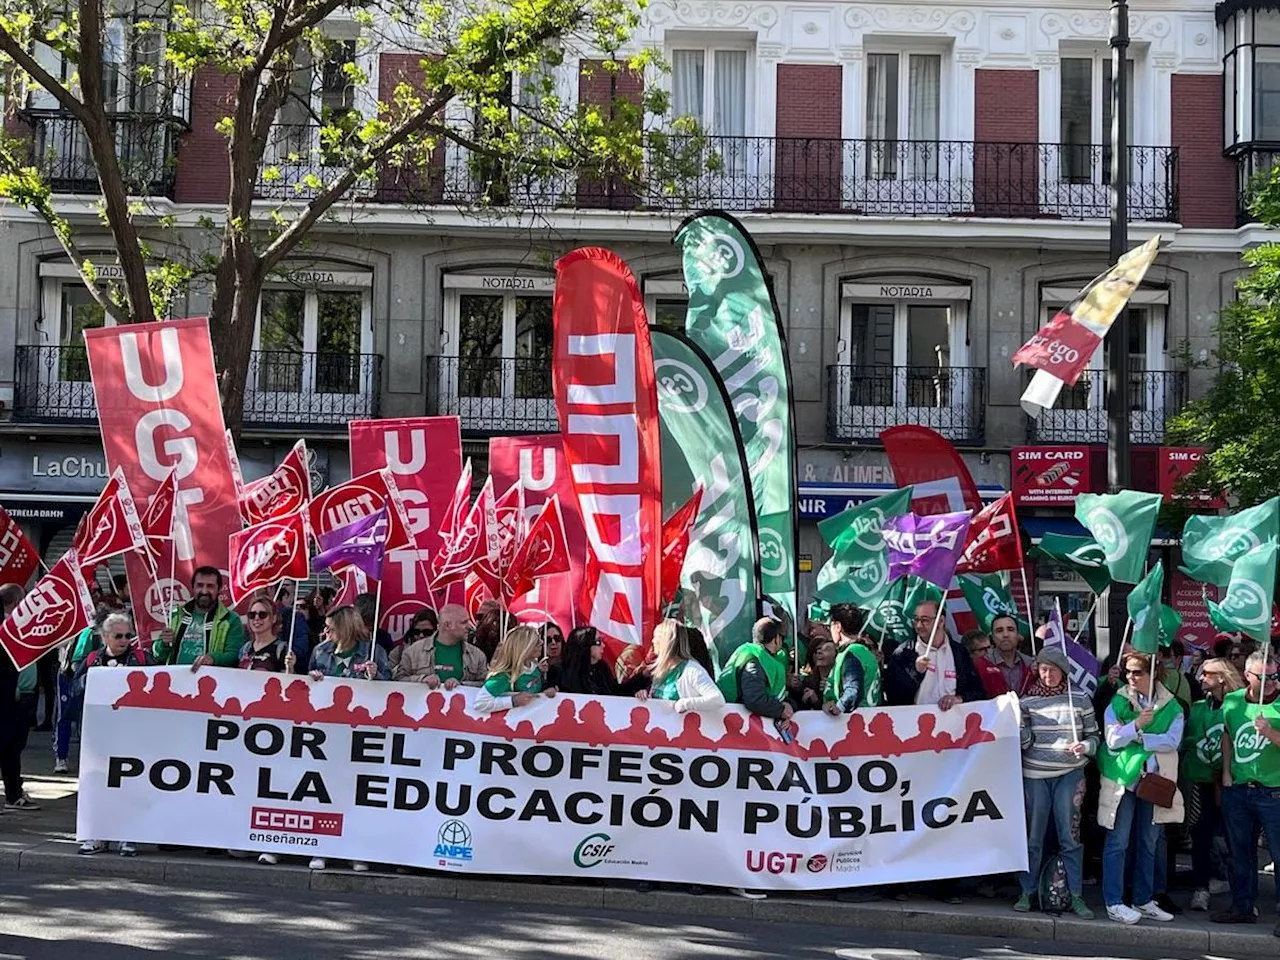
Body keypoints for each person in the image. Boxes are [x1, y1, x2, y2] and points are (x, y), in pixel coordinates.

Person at [1097, 652, 1185, 925]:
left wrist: (1136, 735)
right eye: (1128, 672)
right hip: (1123, 780)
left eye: (1137, 672)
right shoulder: (1119, 700)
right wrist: (1137, 723)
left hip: (1154, 783)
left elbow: (1172, 741)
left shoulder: (1173, 706)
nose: (1130, 677)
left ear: (1153, 674)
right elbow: (1112, 740)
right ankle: (1113, 902)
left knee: (1149, 843)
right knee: (1118, 842)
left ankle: (1143, 899)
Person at [1015, 646, 1100, 919]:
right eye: (1043, 669)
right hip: (1035, 775)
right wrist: (1018, 724)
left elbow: (1096, 737)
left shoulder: (1081, 698)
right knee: (1032, 837)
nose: (1048, 674)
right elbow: (1025, 743)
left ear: (1063, 671)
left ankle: (1075, 895)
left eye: (1053, 669)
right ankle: (1027, 892)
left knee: (1071, 836)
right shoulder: (1026, 701)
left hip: (1070, 773)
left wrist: (1085, 746)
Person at [304, 605, 389, 872]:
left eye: (331, 627)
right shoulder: (321, 652)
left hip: (362, 730)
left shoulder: (372, 651)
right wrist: (312, 678)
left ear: (346, 627)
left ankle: (356, 849)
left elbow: (392, 686)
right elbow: (306, 686)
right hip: (327, 731)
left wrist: (378, 676)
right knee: (325, 792)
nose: (325, 631)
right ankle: (322, 847)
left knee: (358, 793)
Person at [1212, 649, 1280, 934]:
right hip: (1239, 790)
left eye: (1275, 675)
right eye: (1264, 677)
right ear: (1247, 677)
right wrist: (1227, 773)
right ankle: (1242, 906)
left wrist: (1270, 733)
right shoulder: (1232, 702)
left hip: (1274, 792)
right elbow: (1227, 735)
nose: (1271, 681)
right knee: (1240, 853)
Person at [76, 612, 150, 855]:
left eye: (128, 635)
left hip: (133, 736)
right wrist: (91, 680)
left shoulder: (142, 658)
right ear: (105, 636)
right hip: (99, 737)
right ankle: (97, 834)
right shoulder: (91, 660)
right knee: (98, 785)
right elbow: (74, 689)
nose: (124, 640)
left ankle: (128, 834)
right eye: (118, 636)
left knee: (130, 785)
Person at [1183, 657, 1243, 912]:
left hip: (1235, 782)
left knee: (1238, 839)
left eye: (1206, 673)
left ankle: (1243, 897)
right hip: (1203, 781)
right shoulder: (1198, 708)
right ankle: (1201, 889)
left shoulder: (1239, 705)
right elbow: (1187, 740)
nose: (1200, 677)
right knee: (1201, 836)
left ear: (1221, 677)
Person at [883, 600, 986, 708]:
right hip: (916, 721)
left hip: (952, 721)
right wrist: (916, 672)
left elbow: (977, 691)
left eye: (925, 620)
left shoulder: (959, 652)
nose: (918, 625)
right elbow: (893, 696)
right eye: (916, 619)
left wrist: (958, 699)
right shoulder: (903, 653)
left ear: (941, 621)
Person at [154, 566, 245, 667]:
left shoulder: (231, 619)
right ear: (193, 587)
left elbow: (235, 656)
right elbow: (158, 654)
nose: (204, 591)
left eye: (210, 586)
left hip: (210, 680)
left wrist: (213, 658)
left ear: (219, 589)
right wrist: (164, 644)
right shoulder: (176, 615)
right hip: (177, 680)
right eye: (200, 585)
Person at [0, 584, 38, 813]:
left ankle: (14, 793)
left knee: (13, 747)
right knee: (8, 746)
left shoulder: (22, 628)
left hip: (23, 695)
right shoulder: (7, 630)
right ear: (17, 603)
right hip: (12, 697)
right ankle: (13, 793)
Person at [716, 617, 792, 725]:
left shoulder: (751, 655)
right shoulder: (755, 660)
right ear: (776, 639)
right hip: (739, 727)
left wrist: (787, 704)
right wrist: (780, 710)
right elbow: (754, 699)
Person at [637, 620, 723, 712]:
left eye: (655, 637)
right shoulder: (660, 670)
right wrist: (645, 696)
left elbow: (717, 699)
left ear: (665, 642)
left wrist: (685, 704)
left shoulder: (692, 670)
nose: (652, 641)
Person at [394, 604, 487, 688]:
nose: (469, 626)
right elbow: (397, 681)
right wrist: (422, 679)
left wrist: (461, 685)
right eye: (463, 622)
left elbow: (484, 685)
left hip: (461, 706)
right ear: (447, 625)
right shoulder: (412, 652)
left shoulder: (477, 655)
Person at [473, 625, 557, 714]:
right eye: (536, 642)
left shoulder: (534, 669)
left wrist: (546, 691)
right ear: (524, 648)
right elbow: (480, 703)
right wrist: (512, 701)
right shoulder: (505, 675)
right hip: (509, 724)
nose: (542, 642)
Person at [557, 625, 649, 697]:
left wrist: (643, 675)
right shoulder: (562, 672)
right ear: (585, 645)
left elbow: (618, 692)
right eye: (598, 642)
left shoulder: (602, 668)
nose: (603, 645)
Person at [826, 603, 882, 712]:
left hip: (854, 721)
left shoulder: (852, 653)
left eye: (830, 626)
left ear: (837, 626)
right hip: (871, 717)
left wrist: (839, 707)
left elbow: (853, 689)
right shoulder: (866, 652)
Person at [237, 595, 292, 673]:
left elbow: (287, 681)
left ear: (274, 618)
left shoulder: (282, 649)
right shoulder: (245, 648)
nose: (256, 618)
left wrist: (290, 668)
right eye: (252, 615)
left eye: (262, 615)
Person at [787, 631, 836, 713]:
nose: (819, 652)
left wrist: (818, 700)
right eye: (817, 650)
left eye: (826, 649)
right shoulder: (808, 683)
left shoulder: (839, 682)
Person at [986, 614, 1034, 696]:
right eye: (999, 630)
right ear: (992, 637)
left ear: (1018, 635)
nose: (1005, 635)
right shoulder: (982, 664)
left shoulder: (1030, 664)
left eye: (1010, 629)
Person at [389, 608, 437, 674]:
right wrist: (406, 655)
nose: (421, 635)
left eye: (427, 632)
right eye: (417, 632)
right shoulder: (398, 652)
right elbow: (389, 677)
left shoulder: (441, 652)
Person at [966, 629, 1009, 699]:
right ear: (970, 653)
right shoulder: (964, 674)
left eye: (989, 647)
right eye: (982, 649)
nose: (988, 652)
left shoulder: (998, 666)